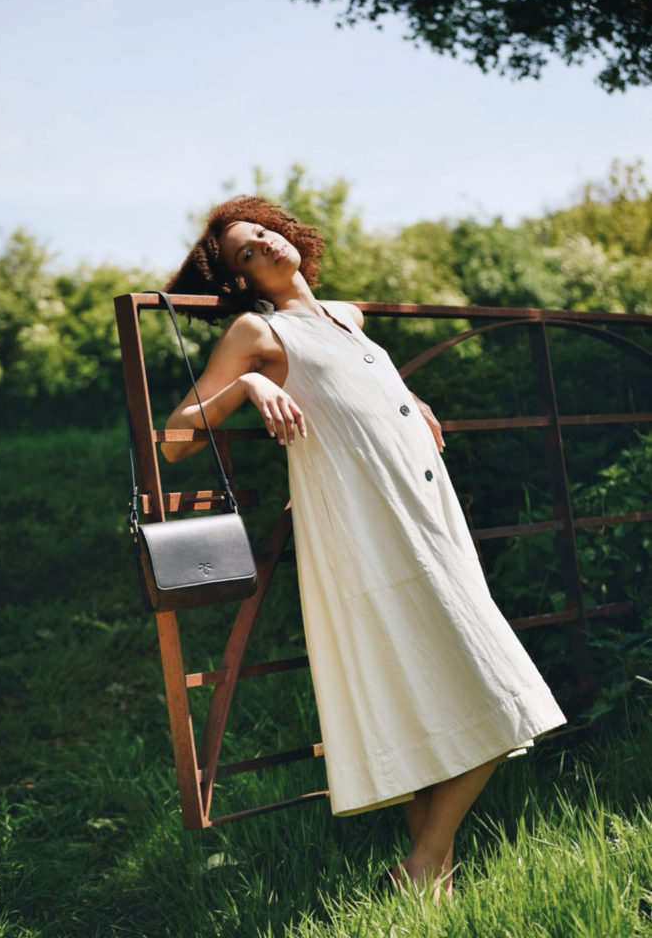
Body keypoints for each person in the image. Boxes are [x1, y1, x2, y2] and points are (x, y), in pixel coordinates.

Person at [161, 195, 567, 900]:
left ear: (286, 234)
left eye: (261, 233)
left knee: (430, 687)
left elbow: (358, 391)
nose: (261, 246)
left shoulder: (346, 317)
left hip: (424, 510)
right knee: (499, 688)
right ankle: (422, 864)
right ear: (241, 282)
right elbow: (173, 439)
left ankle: (427, 874)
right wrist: (250, 384)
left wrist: (408, 401)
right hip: (366, 526)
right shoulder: (259, 330)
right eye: (243, 253)